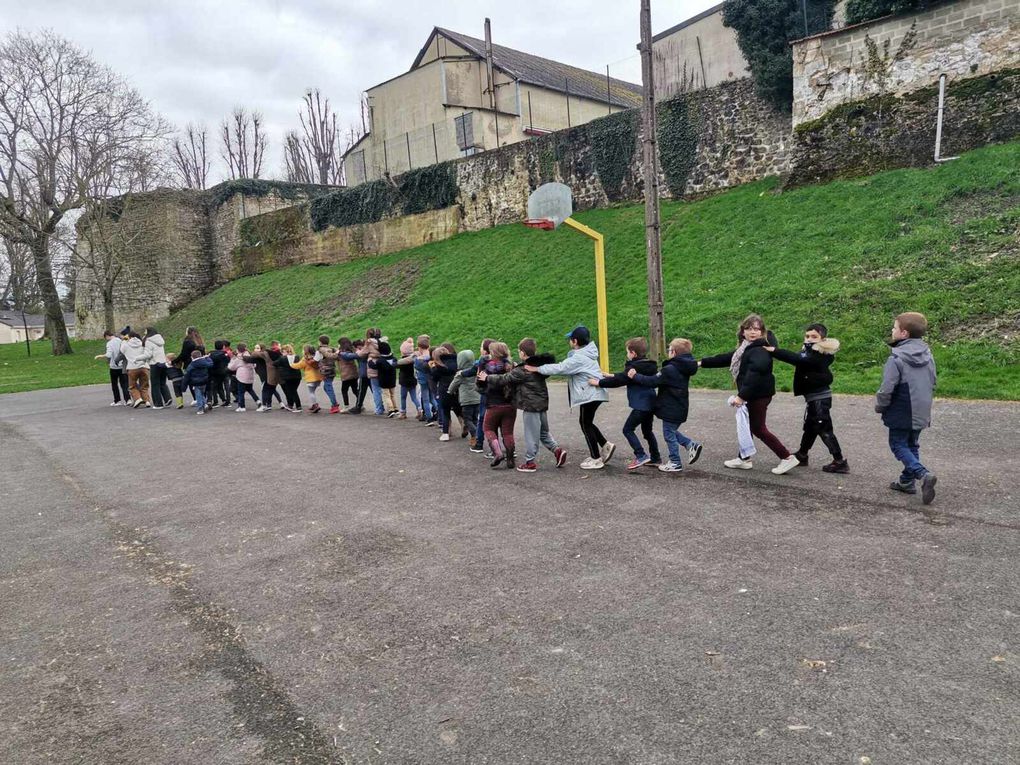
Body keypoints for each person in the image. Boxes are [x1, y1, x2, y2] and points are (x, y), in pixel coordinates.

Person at [699, 314, 800, 475]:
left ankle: (787, 457)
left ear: (762, 332)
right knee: (748, 426)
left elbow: (755, 374)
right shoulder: (746, 348)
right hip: (755, 393)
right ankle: (744, 459)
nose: (753, 332)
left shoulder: (759, 350)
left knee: (758, 428)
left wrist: (742, 396)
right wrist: (701, 363)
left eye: (757, 329)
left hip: (758, 394)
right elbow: (727, 358)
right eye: (749, 328)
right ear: (743, 331)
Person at [766, 323, 848, 474]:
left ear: (822, 339)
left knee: (823, 428)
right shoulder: (808, 351)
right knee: (811, 427)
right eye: (807, 336)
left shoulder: (822, 353)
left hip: (820, 399)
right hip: (813, 398)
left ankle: (839, 461)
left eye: (814, 337)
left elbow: (800, 360)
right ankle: (802, 455)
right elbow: (800, 357)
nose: (809, 339)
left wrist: (775, 351)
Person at [529, 326, 613, 470]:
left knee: (585, 424)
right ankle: (605, 445)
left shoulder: (578, 358)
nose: (569, 341)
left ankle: (596, 458)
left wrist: (538, 369)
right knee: (587, 422)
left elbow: (560, 368)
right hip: (593, 393)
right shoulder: (587, 353)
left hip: (590, 394)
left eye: (570, 339)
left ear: (575, 341)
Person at [876, 312, 938, 505]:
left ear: (903, 333)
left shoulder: (896, 358)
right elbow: (933, 380)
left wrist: (881, 405)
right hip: (921, 406)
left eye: (894, 328)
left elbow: (887, 388)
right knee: (912, 444)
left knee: (898, 444)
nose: (892, 331)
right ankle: (906, 481)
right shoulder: (928, 354)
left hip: (901, 406)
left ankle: (922, 474)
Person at [481, 337, 566, 472]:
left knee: (531, 434)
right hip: (542, 405)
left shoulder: (523, 369)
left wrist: (487, 377)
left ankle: (530, 462)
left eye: (519, 351)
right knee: (543, 432)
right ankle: (557, 450)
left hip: (530, 406)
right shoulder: (538, 367)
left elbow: (504, 379)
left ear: (522, 353)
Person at [628, 338, 702, 473]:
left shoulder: (670, 369)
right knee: (671, 431)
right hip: (679, 405)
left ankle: (675, 462)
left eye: (669, 350)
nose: (668, 352)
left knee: (669, 435)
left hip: (671, 407)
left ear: (673, 352)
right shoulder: (684, 367)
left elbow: (653, 381)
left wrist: (635, 376)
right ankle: (691, 445)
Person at [590, 337, 662, 470]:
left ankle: (641, 455)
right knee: (647, 431)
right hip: (651, 403)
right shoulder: (649, 365)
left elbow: (620, 381)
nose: (626, 354)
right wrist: (611, 375)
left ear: (633, 353)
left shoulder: (633, 367)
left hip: (640, 406)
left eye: (627, 352)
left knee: (627, 429)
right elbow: (624, 377)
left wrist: (599, 383)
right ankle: (655, 457)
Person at [476, 342, 517, 467]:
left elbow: (479, 385)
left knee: (488, 428)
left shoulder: (486, 367)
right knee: (508, 432)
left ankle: (498, 453)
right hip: (510, 405)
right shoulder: (511, 366)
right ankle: (510, 459)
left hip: (493, 404)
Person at [448, 349, 481, 447]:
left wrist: (450, 391)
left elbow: (452, 386)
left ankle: (475, 434)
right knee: (475, 418)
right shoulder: (476, 370)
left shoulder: (461, 374)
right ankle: (474, 438)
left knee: (467, 419)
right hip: (477, 398)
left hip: (466, 400)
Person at [95, 330, 130, 406]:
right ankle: (128, 399)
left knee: (114, 384)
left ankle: (117, 400)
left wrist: (100, 356)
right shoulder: (120, 341)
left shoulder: (109, 343)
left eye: (106, 338)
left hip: (114, 366)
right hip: (122, 366)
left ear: (107, 336)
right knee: (124, 384)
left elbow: (109, 355)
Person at [246, 342, 282, 412]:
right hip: (270, 376)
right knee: (271, 390)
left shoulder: (263, 355)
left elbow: (251, 358)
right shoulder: (267, 354)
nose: (256, 349)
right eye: (255, 348)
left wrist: (242, 356)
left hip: (267, 376)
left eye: (257, 348)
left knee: (266, 390)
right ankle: (273, 404)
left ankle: (265, 405)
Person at [121, 330, 153, 408]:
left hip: (132, 367)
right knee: (144, 385)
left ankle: (137, 398)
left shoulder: (126, 345)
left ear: (129, 337)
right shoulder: (142, 343)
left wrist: (124, 340)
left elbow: (121, 350)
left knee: (132, 386)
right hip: (144, 366)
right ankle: (147, 401)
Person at [291, 344, 325, 413]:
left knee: (311, 392)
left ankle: (315, 405)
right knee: (313, 391)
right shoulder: (316, 357)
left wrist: (290, 364)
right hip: (318, 377)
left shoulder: (306, 359)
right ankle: (313, 404)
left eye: (303, 350)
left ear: (306, 351)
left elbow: (298, 366)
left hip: (311, 378)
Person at [144, 327, 172, 410]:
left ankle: (158, 403)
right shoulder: (160, 339)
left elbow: (148, 354)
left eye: (145, 331)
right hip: (162, 363)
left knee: (155, 384)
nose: (144, 333)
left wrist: (137, 358)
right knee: (162, 382)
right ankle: (167, 398)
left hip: (154, 363)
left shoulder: (148, 341)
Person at [371, 340, 400, 416]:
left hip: (384, 381)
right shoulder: (394, 358)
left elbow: (374, 366)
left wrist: (370, 361)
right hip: (392, 379)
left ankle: (391, 410)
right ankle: (396, 408)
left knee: (387, 395)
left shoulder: (380, 361)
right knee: (392, 394)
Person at [395, 338, 422, 420]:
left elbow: (395, 365)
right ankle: (420, 409)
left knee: (403, 397)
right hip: (413, 380)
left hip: (404, 381)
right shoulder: (414, 359)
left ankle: (403, 412)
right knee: (414, 397)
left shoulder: (403, 361)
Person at [228, 343, 259, 412]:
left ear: (238, 349)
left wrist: (232, 359)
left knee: (240, 392)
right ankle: (258, 401)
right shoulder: (249, 355)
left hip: (241, 377)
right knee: (250, 389)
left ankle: (242, 406)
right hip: (250, 375)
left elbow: (231, 367)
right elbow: (254, 365)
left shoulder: (239, 357)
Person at [315, 336, 341, 414]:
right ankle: (334, 403)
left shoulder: (321, 349)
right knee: (326, 387)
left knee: (328, 387)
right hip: (332, 370)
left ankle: (335, 405)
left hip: (326, 370)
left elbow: (317, 359)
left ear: (320, 342)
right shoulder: (331, 348)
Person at [181, 350, 213, 414]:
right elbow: (211, 364)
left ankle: (200, 408)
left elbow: (187, 376)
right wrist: (207, 357)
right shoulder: (204, 362)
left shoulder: (191, 365)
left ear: (192, 357)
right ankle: (204, 404)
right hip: (204, 381)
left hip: (196, 382)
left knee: (198, 395)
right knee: (202, 394)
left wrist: (183, 387)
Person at [413, 335, 435, 424]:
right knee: (432, 398)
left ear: (419, 348)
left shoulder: (418, 359)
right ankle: (438, 412)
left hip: (422, 381)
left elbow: (417, 367)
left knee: (425, 399)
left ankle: (429, 417)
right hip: (431, 379)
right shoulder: (431, 357)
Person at [276, 343, 303, 412]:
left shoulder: (283, 358)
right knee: (293, 391)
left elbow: (275, 363)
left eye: (283, 351)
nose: (282, 353)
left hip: (288, 378)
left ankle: (298, 407)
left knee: (293, 391)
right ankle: (290, 405)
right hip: (297, 377)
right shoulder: (297, 356)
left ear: (286, 351)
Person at [336, 337, 359, 410]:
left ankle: (346, 406)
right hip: (354, 373)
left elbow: (336, 356)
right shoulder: (352, 350)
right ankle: (360, 404)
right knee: (355, 390)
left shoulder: (342, 352)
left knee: (344, 390)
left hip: (346, 374)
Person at [208, 340, 232, 408]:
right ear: (223, 346)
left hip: (214, 372)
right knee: (227, 386)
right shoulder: (225, 354)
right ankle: (227, 401)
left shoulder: (211, 354)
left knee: (215, 387)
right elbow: (229, 361)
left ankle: (216, 402)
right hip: (224, 372)